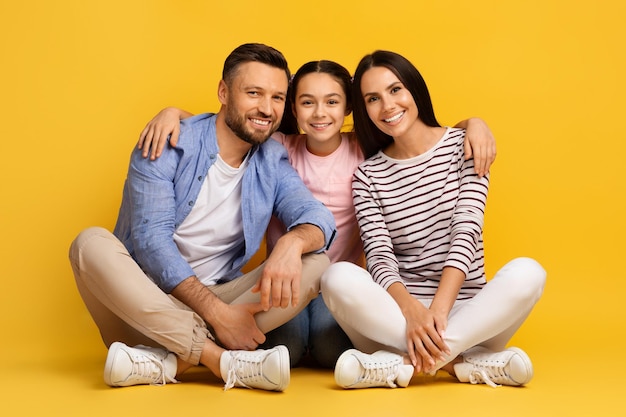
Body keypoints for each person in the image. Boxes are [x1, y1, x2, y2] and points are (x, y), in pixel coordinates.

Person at [139, 60, 498, 369]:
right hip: (287, 281)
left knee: (330, 350)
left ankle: (426, 359)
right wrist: (174, 114)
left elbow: (419, 134)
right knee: (289, 348)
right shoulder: (277, 148)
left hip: (336, 285)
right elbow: (230, 125)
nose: (320, 113)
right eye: (307, 102)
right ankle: (195, 348)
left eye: (332, 102)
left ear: (348, 109)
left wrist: (474, 123)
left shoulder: (365, 153)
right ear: (292, 109)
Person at [68, 43, 337, 392]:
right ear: (224, 92)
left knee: (315, 260)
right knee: (89, 243)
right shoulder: (167, 141)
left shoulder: (271, 157)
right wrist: (218, 316)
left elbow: (316, 217)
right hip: (142, 311)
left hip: (226, 302)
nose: (266, 108)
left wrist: (291, 241)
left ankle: (165, 361)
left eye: (277, 97)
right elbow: (152, 243)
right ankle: (218, 359)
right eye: (253, 93)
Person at [320, 50, 546, 389]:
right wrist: (413, 314)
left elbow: (466, 232)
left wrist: (438, 314)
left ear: (414, 89)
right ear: (365, 109)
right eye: (373, 98)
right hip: (397, 320)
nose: (388, 106)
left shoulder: (467, 145)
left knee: (529, 273)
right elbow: (380, 257)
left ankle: (403, 365)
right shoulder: (368, 176)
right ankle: (462, 365)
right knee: (335, 277)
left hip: (468, 316)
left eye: (396, 90)